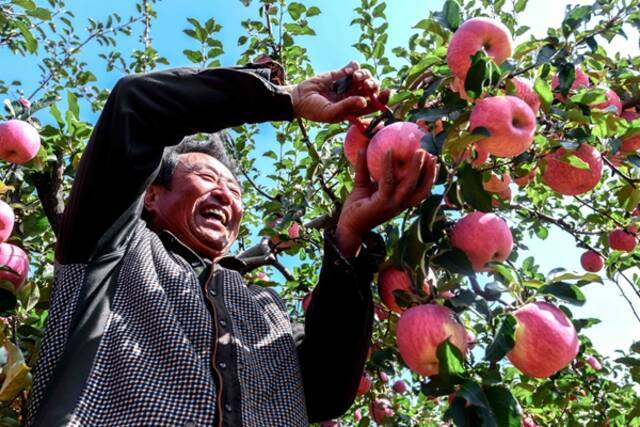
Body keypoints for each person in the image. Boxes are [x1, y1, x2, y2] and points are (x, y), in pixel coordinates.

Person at [26, 60, 433, 426]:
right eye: (207, 178)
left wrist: (348, 237)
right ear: (152, 195)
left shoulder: (265, 310)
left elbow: (327, 391)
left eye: (235, 190)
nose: (225, 195)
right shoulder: (110, 250)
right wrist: (283, 98)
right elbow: (136, 105)